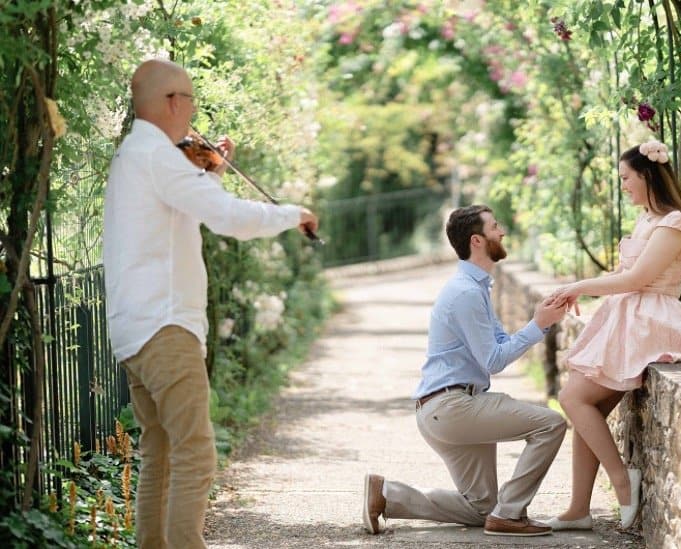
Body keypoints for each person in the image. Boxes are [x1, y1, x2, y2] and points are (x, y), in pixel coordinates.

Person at [102, 58, 318, 549]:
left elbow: (194, 206)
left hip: (135, 331)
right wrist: (293, 213)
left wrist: (210, 170)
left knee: (158, 452)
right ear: (173, 102)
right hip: (166, 328)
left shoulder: (136, 155)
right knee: (196, 453)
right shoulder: (158, 157)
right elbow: (228, 218)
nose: (193, 113)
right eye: (191, 100)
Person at [362, 204, 568, 537]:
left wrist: (538, 319)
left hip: (443, 409)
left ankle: (387, 495)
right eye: (495, 226)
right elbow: (493, 361)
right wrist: (537, 326)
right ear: (477, 240)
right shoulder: (466, 293)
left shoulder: (476, 287)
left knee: (481, 509)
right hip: (452, 408)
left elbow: (499, 341)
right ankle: (511, 514)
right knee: (551, 424)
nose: (502, 232)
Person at [546, 140, 681, 531]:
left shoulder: (675, 222)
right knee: (588, 409)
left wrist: (579, 285)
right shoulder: (648, 220)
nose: (623, 186)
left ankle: (622, 481)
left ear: (648, 175)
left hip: (651, 320)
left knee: (572, 398)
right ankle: (579, 507)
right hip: (628, 317)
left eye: (626, 178)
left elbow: (637, 279)